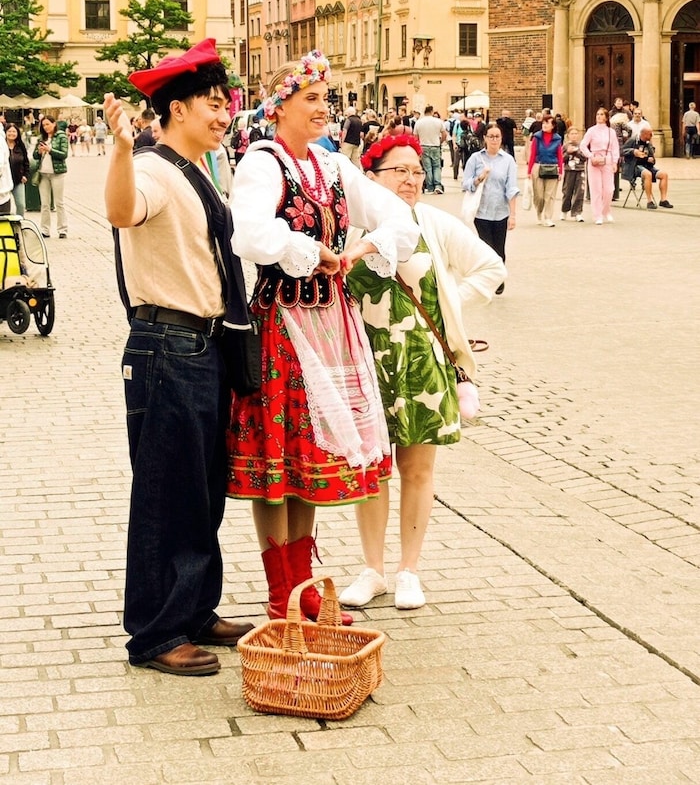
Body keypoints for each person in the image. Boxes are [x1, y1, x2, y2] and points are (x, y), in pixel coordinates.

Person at [225, 50, 420, 624]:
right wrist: (310, 252)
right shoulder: (264, 162)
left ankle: (302, 585)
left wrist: (363, 247)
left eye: (324, 99)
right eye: (309, 98)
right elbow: (251, 234)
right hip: (281, 326)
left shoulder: (333, 167)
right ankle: (279, 585)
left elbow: (400, 218)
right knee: (277, 463)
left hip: (329, 326)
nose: (322, 108)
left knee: (308, 462)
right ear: (279, 106)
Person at [103, 38, 254, 677]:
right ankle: (157, 635)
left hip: (203, 345)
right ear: (176, 109)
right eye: (212, 105)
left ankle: (193, 609)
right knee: (167, 493)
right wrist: (117, 147)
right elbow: (120, 211)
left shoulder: (199, 170)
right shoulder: (155, 171)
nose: (224, 115)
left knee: (202, 489)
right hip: (168, 347)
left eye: (227, 105)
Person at [339, 134, 505, 610]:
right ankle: (372, 569)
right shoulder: (350, 229)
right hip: (365, 362)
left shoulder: (432, 222)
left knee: (416, 470)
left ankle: (409, 570)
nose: (412, 180)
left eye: (416, 171)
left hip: (422, 364)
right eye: (399, 171)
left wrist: (453, 300)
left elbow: (490, 267)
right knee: (370, 468)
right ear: (372, 178)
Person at [462, 122, 518, 294]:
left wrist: (513, 215)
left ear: (502, 139)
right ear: (485, 138)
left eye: (497, 137)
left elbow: (512, 188)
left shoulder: (508, 160)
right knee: (486, 248)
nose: (494, 140)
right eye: (491, 136)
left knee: (499, 249)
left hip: (501, 211)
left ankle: (499, 277)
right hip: (481, 211)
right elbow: (465, 183)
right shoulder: (476, 158)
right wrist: (479, 178)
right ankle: (490, 280)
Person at [579, 107, 620, 225]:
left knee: (609, 189)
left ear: (606, 117)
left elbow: (615, 148)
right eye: (597, 114)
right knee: (596, 189)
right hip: (594, 161)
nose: (599, 116)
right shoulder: (591, 130)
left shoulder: (611, 132)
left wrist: (615, 162)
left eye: (602, 114)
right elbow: (583, 145)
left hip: (607, 159)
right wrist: (591, 156)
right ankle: (597, 215)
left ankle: (606, 210)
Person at [32, 115, 69, 238]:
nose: (46, 127)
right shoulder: (41, 138)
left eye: (48, 124)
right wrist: (39, 151)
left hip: (57, 173)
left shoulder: (61, 136)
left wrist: (50, 150)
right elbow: (35, 156)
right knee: (45, 204)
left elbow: (64, 154)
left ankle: (62, 229)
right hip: (43, 173)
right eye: (43, 125)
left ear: (54, 124)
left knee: (59, 202)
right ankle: (45, 230)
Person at [622, 126, 673, 209]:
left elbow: (652, 157)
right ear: (644, 134)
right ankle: (649, 201)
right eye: (650, 134)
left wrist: (652, 159)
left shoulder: (648, 143)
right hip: (635, 166)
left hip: (647, 165)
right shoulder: (633, 140)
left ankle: (663, 200)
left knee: (664, 174)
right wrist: (633, 151)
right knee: (647, 174)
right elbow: (622, 150)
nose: (652, 135)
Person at [528, 113, 563, 227]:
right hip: (538, 165)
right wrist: (529, 171)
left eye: (547, 123)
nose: (544, 125)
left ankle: (548, 217)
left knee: (550, 195)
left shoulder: (557, 139)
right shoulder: (537, 137)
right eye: (543, 123)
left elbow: (560, 156)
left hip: (552, 166)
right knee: (539, 195)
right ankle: (539, 212)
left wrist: (560, 170)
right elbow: (532, 154)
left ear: (553, 126)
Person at [414, 105, 447, 194]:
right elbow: (444, 134)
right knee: (436, 167)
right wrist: (440, 142)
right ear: (432, 111)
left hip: (423, 146)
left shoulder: (419, 122)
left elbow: (415, 137)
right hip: (435, 146)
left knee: (427, 168)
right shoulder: (438, 121)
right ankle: (437, 185)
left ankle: (430, 187)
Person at [559, 126, 586, 222]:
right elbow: (561, 159)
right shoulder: (565, 146)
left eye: (576, 134)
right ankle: (564, 210)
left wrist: (577, 152)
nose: (574, 136)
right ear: (568, 135)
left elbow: (585, 157)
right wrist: (568, 153)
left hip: (580, 170)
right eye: (572, 134)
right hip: (569, 170)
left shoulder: (582, 145)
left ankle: (577, 212)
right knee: (567, 191)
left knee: (579, 192)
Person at [7, 123, 30, 216]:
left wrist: (25, 175)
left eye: (14, 131)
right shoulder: (2, 146)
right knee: (4, 207)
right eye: (9, 131)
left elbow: (26, 162)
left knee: (21, 205)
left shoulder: (21, 146)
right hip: (4, 181)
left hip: (18, 180)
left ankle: (19, 224)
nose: (11, 133)